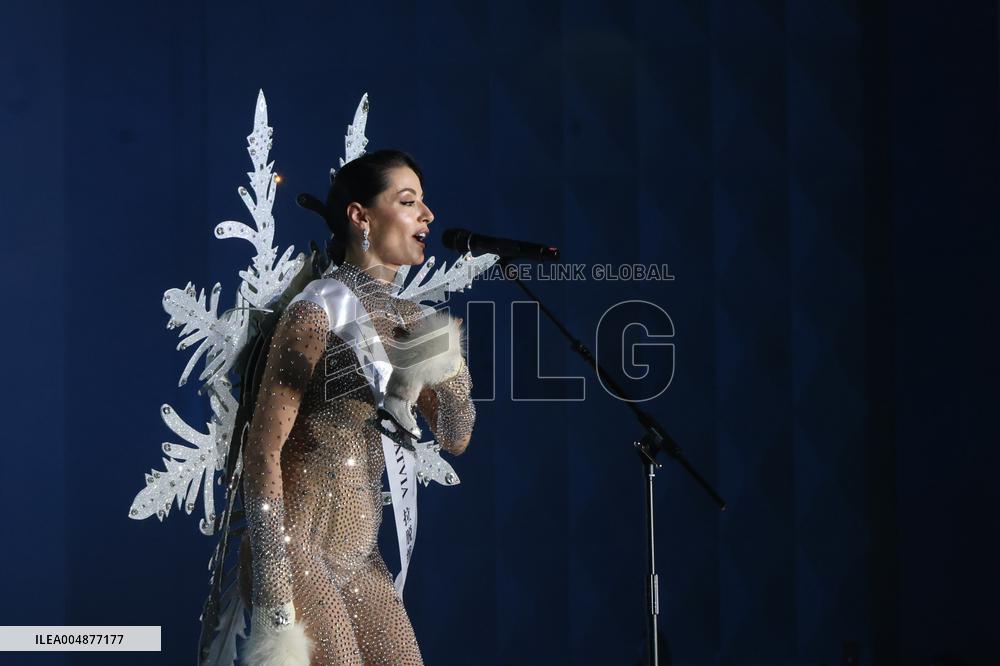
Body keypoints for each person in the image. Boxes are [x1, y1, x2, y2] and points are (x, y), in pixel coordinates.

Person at [237, 149, 475, 665]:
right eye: (409, 201)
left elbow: (456, 438)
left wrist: (448, 365)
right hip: (295, 544)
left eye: (425, 203)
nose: (428, 216)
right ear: (360, 216)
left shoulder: (413, 320)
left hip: (361, 555)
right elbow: (262, 455)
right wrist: (277, 601)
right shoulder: (317, 310)